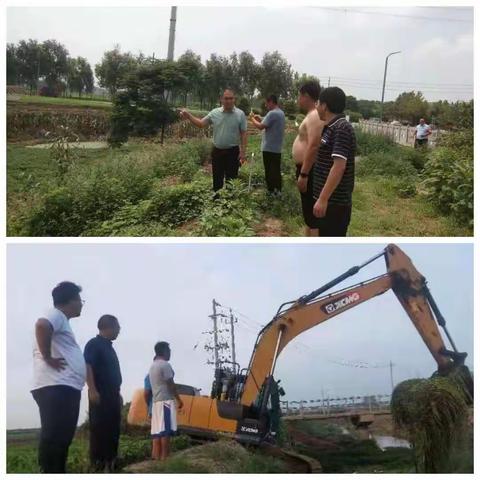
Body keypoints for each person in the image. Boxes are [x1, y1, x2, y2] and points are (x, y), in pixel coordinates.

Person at [31, 281, 86, 473]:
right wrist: (47, 356)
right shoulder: (56, 314)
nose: (81, 304)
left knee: (62, 438)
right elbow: (41, 325)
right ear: (70, 301)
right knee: (55, 437)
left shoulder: (61, 320)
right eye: (80, 300)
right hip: (55, 386)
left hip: (63, 387)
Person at [179, 89, 248, 191]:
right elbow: (201, 124)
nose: (228, 101)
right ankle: (217, 198)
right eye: (226, 98)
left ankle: (230, 203)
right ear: (221, 99)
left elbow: (244, 133)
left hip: (233, 152)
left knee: (232, 180)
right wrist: (189, 115)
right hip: (217, 151)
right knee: (217, 179)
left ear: (234, 100)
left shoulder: (240, 114)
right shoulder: (215, 113)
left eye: (231, 98)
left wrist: (243, 152)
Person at [312, 86, 356, 237]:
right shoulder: (331, 127)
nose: (316, 107)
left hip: (334, 204)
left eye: (318, 103)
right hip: (328, 203)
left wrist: (323, 199)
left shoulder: (341, 128)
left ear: (325, 105)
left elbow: (339, 166)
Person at [84, 315, 122, 472]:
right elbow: (87, 365)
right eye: (117, 327)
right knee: (100, 429)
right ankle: (98, 466)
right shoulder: (94, 344)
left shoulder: (109, 347)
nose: (119, 330)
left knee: (113, 429)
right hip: (100, 394)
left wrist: (118, 393)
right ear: (108, 327)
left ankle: (111, 463)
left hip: (112, 394)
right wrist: (92, 389)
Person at [293, 81, 325, 236]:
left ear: (306, 96)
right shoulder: (311, 115)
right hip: (305, 168)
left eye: (300, 95)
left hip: (309, 170)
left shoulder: (314, 116)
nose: (298, 99)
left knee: (313, 216)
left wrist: (304, 174)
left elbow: (314, 145)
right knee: (308, 214)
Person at [149, 342, 184, 461]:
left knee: (157, 431)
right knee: (165, 431)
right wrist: (178, 399)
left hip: (155, 402)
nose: (170, 353)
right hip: (165, 401)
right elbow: (171, 384)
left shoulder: (152, 366)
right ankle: (164, 458)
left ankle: (156, 458)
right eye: (169, 350)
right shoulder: (165, 365)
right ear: (164, 351)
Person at [250, 95, 286, 195]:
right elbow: (268, 123)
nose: (266, 105)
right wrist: (260, 118)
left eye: (266, 103)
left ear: (271, 102)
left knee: (269, 171)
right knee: (276, 170)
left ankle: (271, 192)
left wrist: (252, 119)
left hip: (269, 147)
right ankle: (278, 191)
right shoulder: (281, 113)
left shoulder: (272, 113)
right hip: (277, 148)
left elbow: (261, 127)